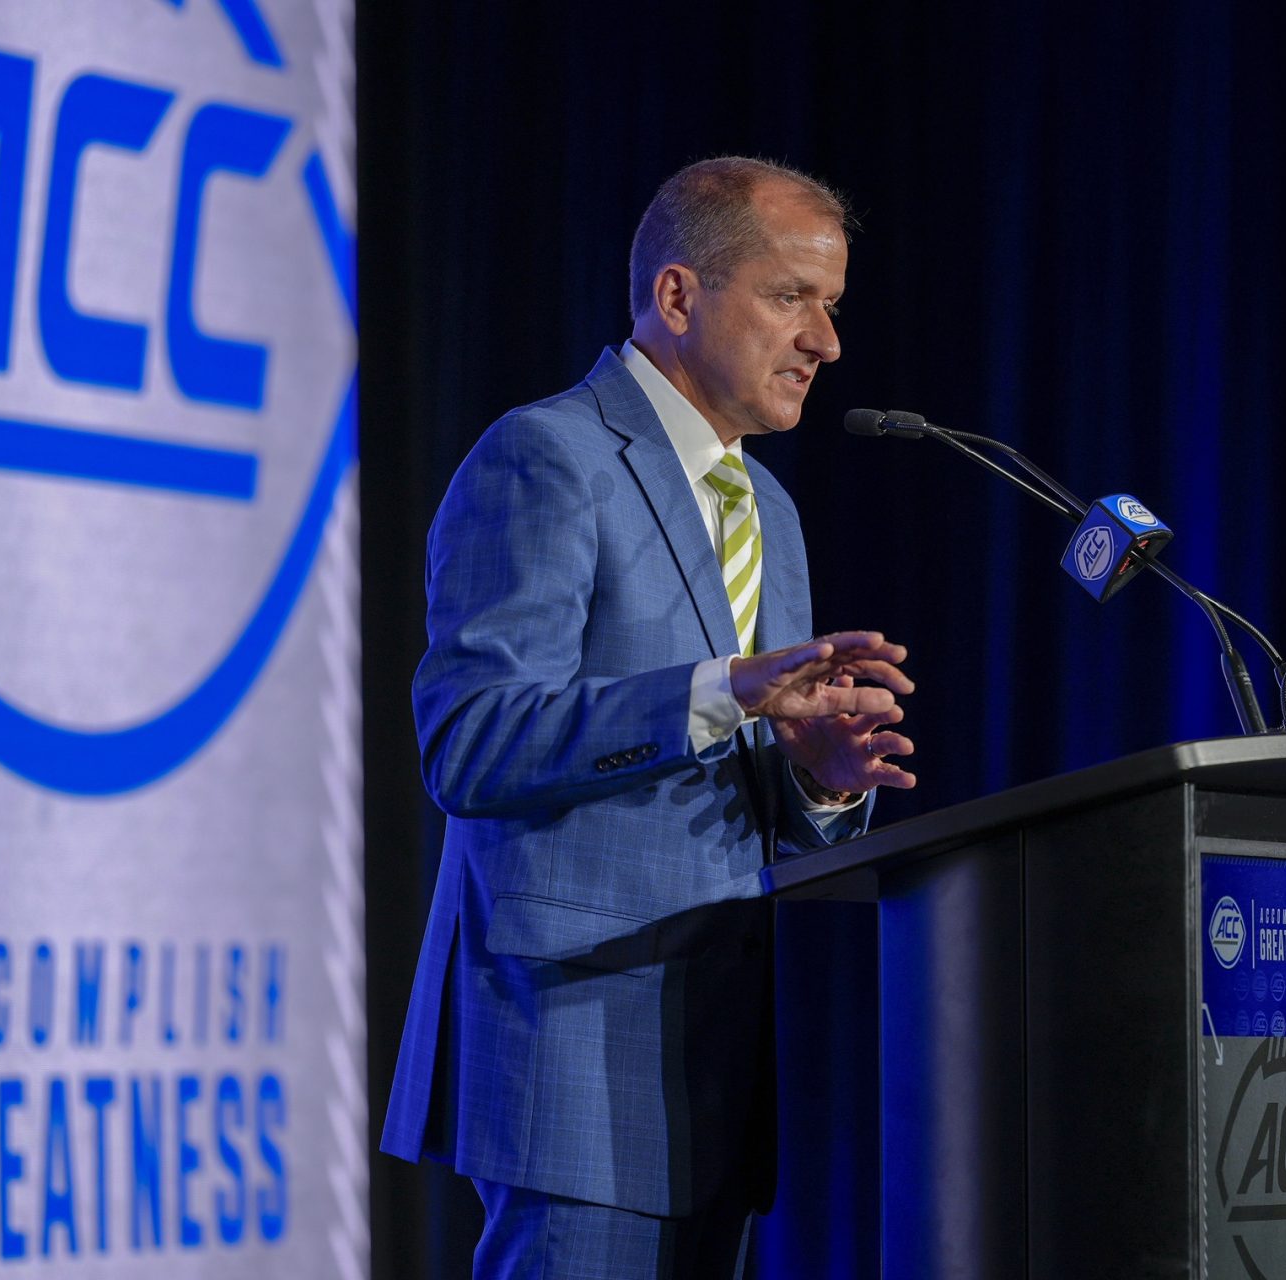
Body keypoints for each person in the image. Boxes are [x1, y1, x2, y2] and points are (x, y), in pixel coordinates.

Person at [381, 156, 916, 1279]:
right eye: (791, 297)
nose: (825, 342)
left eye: (832, 306)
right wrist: (725, 689)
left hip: (712, 1049)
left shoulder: (769, 508)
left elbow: (753, 792)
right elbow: (470, 741)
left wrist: (817, 774)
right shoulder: (547, 457)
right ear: (678, 295)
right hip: (573, 1034)